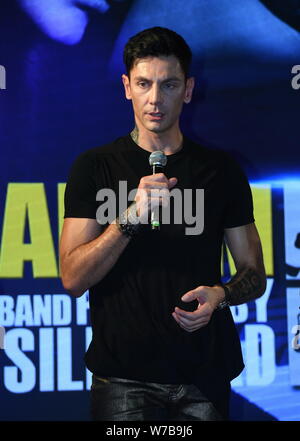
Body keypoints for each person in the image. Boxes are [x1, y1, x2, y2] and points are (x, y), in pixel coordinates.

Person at [59, 26, 266, 421]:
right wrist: (130, 218)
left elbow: (254, 274)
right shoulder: (95, 167)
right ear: (126, 87)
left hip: (203, 374)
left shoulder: (220, 171)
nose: (155, 99)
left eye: (168, 85)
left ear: (188, 90)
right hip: (123, 379)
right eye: (143, 84)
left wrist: (220, 296)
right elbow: (72, 278)